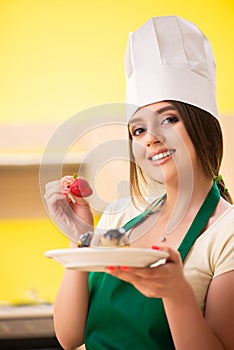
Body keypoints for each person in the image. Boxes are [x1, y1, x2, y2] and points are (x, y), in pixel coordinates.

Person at [44, 16, 234, 349]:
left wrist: (175, 293)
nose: (150, 139)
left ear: (202, 124)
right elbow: (69, 336)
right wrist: (81, 237)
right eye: (138, 130)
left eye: (169, 119)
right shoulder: (118, 218)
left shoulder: (227, 234)